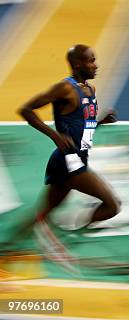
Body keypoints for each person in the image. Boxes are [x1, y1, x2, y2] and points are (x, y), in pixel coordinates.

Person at [8, 44, 120, 264]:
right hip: (70, 162)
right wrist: (55, 136)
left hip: (75, 158)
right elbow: (26, 110)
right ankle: (74, 235)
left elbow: (82, 128)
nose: (96, 65)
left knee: (44, 213)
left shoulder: (90, 90)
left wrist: (100, 123)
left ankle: (9, 246)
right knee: (112, 205)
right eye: (91, 61)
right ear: (78, 64)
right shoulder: (64, 89)